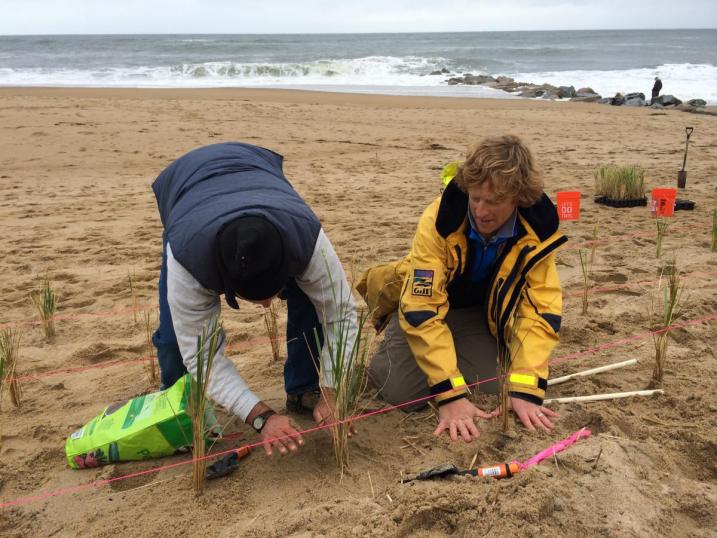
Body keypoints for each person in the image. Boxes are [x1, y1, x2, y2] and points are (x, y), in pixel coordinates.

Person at [151, 142, 358, 456]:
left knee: (313, 299)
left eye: (273, 293)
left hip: (259, 173)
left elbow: (341, 315)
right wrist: (262, 417)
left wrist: (332, 391)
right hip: (186, 192)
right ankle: (178, 407)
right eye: (256, 298)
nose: (266, 306)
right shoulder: (188, 258)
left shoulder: (306, 239)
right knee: (173, 342)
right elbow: (200, 355)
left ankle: (305, 389)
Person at [357, 135, 567, 443]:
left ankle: (456, 354)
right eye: (475, 198)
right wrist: (450, 396)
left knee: (496, 386)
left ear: (518, 198)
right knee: (402, 395)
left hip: (477, 312)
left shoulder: (540, 231)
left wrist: (526, 389)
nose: (481, 211)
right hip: (424, 303)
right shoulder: (439, 219)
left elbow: (540, 309)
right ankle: (395, 344)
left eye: (493, 201)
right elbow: (422, 308)